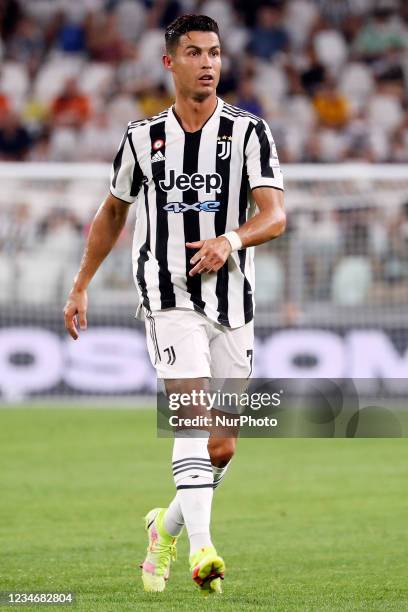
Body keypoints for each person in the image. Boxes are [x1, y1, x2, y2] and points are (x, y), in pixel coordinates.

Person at [63, 14, 285, 596]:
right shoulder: (141, 137)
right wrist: (82, 282)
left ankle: (164, 527)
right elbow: (113, 212)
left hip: (233, 300)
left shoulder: (248, 133)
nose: (208, 63)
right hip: (166, 297)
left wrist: (229, 240)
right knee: (190, 416)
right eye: (194, 52)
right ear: (170, 63)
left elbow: (274, 214)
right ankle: (204, 549)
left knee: (223, 444)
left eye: (214, 52)